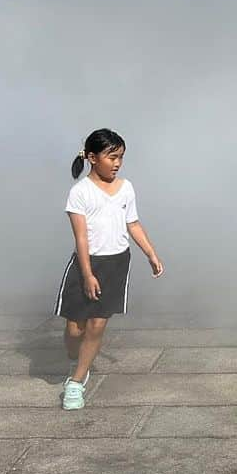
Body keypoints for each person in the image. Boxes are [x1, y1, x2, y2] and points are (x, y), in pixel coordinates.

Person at [55, 128, 164, 410]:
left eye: (121, 158)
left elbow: (133, 224)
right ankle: (76, 357)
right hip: (86, 264)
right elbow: (81, 237)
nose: (117, 163)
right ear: (92, 158)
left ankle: (76, 382)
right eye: (111, 157)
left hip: (116, 263)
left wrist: (150, 253)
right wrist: (88, 273)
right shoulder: (80, 192)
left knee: (97, 324)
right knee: (74, 331)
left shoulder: (126, 188)